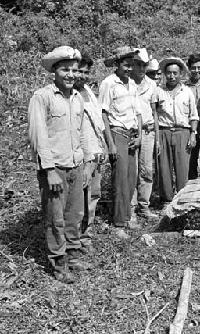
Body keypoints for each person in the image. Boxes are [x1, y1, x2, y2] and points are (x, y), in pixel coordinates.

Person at [28, 46, 92, 283]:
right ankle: (59, 261)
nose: (71, 74)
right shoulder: (42, 97)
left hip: (75, 164)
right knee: (55, 216)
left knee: (74, 213)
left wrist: (86, 162)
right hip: (55, 169)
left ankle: (73, 253)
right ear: (54, 71)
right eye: (65, 69)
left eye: (74, 70)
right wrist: (50, 170)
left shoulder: (77, 97)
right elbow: (39, 137)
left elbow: (82, 132)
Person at [100, 46, 142, 231]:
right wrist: (110, 144)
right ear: (117, 64)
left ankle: (127, 216)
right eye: (126, 65)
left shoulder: (132, 84)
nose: (129, 69)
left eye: (132, 65)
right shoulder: (109, 83)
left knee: (131, 178)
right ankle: (118, 222)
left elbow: (138, 113)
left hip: (132, 134)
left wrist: (140, 135)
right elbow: (103, 114)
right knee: (120, 179)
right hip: (117, 133)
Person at [154, 57, 198, 207]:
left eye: (175, 73)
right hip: (163, 131)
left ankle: (182, 199)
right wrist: (156, 138)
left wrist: (193, 134)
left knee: (182, 168)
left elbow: (193, 115)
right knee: (164, 167)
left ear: (181, 74)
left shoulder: (187, 92)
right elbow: (154, 114)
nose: (171, 76)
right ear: (164, 74)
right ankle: (166, 200)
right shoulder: (158, 91)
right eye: (168, 73)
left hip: (182, 132)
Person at [74, 53, 106, 253]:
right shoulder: (71, 95)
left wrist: (103, 147)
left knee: (93, 195)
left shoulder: (88, 91)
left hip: (96, 151)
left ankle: (86, 235)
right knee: (80, 198)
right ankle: (76, 238)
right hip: (82, 155)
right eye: (79, 71)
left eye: (86, 72)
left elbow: (98, 124)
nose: (82, 76)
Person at [130, 48, 158, 220]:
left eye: (144, 65)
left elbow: (154, 111)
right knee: (132, 171)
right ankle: (130, 208)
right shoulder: (126, 82)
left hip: (148, 131)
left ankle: (144, 206)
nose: (141, 68)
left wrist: (157, 137)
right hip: (131, 131)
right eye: (138, 65)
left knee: (147, 170)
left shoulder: (152, 84)